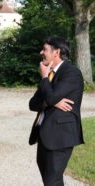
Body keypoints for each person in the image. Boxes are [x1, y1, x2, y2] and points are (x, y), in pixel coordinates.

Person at [29, 36, 84, 186]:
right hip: (44, 135)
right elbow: (33, 104)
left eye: (45, 49)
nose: (41, 52)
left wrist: (45, 78)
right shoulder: (50, 73)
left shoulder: (71, 72)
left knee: (52, 181)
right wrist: (52, 100)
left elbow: (51, 98)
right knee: (51, 182)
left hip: (60, 136)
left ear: (56, 52)